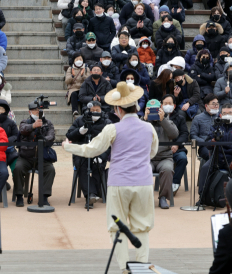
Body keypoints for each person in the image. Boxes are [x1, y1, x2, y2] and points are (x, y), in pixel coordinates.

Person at [62, 80, 157, 269]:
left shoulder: (112, 128)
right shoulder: (149, 128)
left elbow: (92, 149)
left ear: (117, 109)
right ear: (136, 106)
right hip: (144, 182)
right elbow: (151, 153)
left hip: (119, 183)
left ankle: (124, 268)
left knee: (117, 227)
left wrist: (69, 147)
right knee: (142, 227)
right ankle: (142, 267)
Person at [65, 100, 112, 208]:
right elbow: (69, 135)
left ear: (101, 110)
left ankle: (93, 194)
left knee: (97, 167)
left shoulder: (107, 122)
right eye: (92, 110)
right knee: (82, 167)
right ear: (88, 110)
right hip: (81, 153)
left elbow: (110, 143)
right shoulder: (80, 120)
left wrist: (102, 157)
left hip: (99, 154)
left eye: (97, 110)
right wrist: (81, 130)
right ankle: (90, 195)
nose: (95, 112)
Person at [197, 103, 232, 195]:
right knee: (205, 168)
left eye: (230, 113)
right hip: (216, 157)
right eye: (225, 113)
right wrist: (211, 143)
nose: (227, 115)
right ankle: (203, 197)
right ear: (220, 115)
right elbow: (207, 142)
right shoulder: (216, 125)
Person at [13, 102, 57, 207]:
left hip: (42, 157)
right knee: (17, 168)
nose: (37, 112)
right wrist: (33, 126)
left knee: (50, 169)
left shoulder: (48, 123)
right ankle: (19, 195)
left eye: (39, 110)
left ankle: (44, 197)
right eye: (34, 110)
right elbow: (23, 129)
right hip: (25, 157)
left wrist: (43, 139)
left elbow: (52, 135)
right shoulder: (25, 121)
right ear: (29, 112)